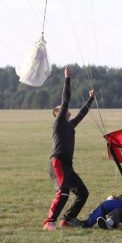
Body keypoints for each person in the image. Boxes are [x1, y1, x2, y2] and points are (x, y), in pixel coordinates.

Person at [43, 66, 96, 231]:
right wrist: (67, 78)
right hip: (57, 162)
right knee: (64, 191)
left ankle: (67, 219)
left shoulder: (70, 125)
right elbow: (66, 99)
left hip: (67, 165)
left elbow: (81, 114)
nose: (64, 108)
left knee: (83, 193)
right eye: (60, 109)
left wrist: (91, 99)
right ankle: (49, 221)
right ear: (58, 113)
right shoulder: (58, 122)